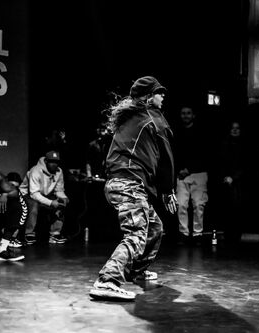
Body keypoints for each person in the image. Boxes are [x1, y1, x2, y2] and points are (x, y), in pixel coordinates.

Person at [89, 76, 177, 301]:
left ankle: (136, 271)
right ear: (148, 97)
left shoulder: (129, 119)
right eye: (159, 92)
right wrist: (167, 190)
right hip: (129, 184)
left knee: (155, 227)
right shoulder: (152, 117)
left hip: (117, 183)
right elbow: (166, 159)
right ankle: (107, 280)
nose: (163, 96)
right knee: (137, 233)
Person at [174, 106, 209, 244]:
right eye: (183, 113)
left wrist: (189, 169)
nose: (186, 116)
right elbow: (174, 153)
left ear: (193, 115)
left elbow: (203, 154)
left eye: (188, 113)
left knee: (198, 205)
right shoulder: (176, 133)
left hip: (198, 173)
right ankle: (183, 233)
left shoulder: (201, 132)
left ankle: (197, 234)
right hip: (181, 174)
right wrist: (179, 170)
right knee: (181, 204)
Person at [19, 150, 69, 245]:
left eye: (56, 162)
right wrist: (51, 202)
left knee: (61, 204)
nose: (54, 164)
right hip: (27, 194)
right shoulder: (35, 171)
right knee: (33, 205)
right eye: (51, 162)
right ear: (46, 161)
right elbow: (34, 194)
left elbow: (59, 189)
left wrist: (63, 197)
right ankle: (29, 233)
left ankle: (55, 234)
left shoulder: (59, 172)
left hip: (45, 193)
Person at [219, 120, 246, 246]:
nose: (235, 130)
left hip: (239, 182)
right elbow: (221, 162)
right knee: (226, 208)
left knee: (237, 208)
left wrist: (233, 178)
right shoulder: (224, 144)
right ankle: (228, 235)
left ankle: (236, 236)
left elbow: (245, 165)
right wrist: (225, 176)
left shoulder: (243, 145)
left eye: (237, 128)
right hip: (225, 180)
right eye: (232, 128)